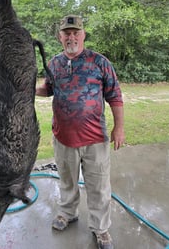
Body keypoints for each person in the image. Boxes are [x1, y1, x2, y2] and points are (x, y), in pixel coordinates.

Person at [36, 15, 125, 249]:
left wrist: (120, 128)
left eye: (76, 33)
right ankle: (68, 212)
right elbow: (49, 90)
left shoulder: (99, 62)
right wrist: (28, 89)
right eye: (67, 33)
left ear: (83, 35)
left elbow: (115, 95)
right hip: (63, 137)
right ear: (60, 37)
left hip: (95, 138)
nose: (71, 37)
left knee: (98, 186)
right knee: (67, 181)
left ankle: (101, 228)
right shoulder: (54, 63)